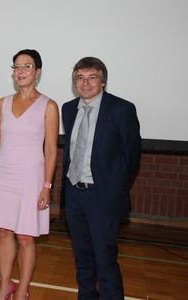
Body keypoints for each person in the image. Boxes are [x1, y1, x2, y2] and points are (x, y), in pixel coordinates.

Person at [61, 57, 141, 299]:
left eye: (92, 77)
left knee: (105, 260)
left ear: (103, 81)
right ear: (74, 82)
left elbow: (132, 156)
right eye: (80, 78)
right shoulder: (68, 108)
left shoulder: (122, 109)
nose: (85, 83)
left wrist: (112, 188)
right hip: (74, 195)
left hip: (102, 197)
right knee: (83, 257)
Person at [0, 49, 59, 300]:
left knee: (26, 237)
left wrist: (47, 185)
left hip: (31, 177)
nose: (21, 71)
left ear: (37, 72)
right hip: (3, 175)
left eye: (27, 66)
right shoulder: (3, 103)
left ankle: (23, 289)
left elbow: (50, 148)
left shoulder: (48, 106)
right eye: (17, 66)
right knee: (4, 233)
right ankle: (6, 285)